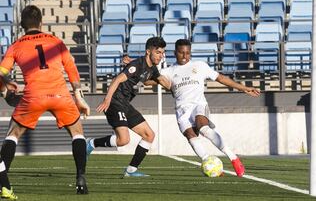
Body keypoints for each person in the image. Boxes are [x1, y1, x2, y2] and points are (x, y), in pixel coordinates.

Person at [0, 5, 91, 199]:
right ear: (41, 22)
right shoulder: (56, 41)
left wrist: (7, 86)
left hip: (33, 96)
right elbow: (71, 69)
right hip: (60, 94)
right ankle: (81, 177)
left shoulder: (16, 45)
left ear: (22, 24)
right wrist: (78, 95)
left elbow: (1, 72)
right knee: (77, 134)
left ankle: (3, 180)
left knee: (13, 135)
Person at [160, 39, 261, 177]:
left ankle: (234, 158)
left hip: (198, 104)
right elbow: (148, 78)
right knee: (191, 136)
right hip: (181, 109)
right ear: (175, 53)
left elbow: (221, 78)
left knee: (203, 128)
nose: (185, 56)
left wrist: (244, 88)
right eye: (181, 53)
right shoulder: (168, 71)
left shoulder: (199, 65)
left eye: (187, 53)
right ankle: (209, 162)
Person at [86, 37, 170, 177]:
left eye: (162, 53)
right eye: (158, 52)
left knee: (149, 135)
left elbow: (150, 81)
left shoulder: (151, 68)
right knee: (123, 140)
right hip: (115, 101)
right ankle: (91, 143)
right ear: (148, 52)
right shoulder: (137, 65)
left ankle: (131, 170)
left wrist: (171, 85)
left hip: (125, 103)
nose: (161, 56)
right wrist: (107, 100)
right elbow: (117, 79)